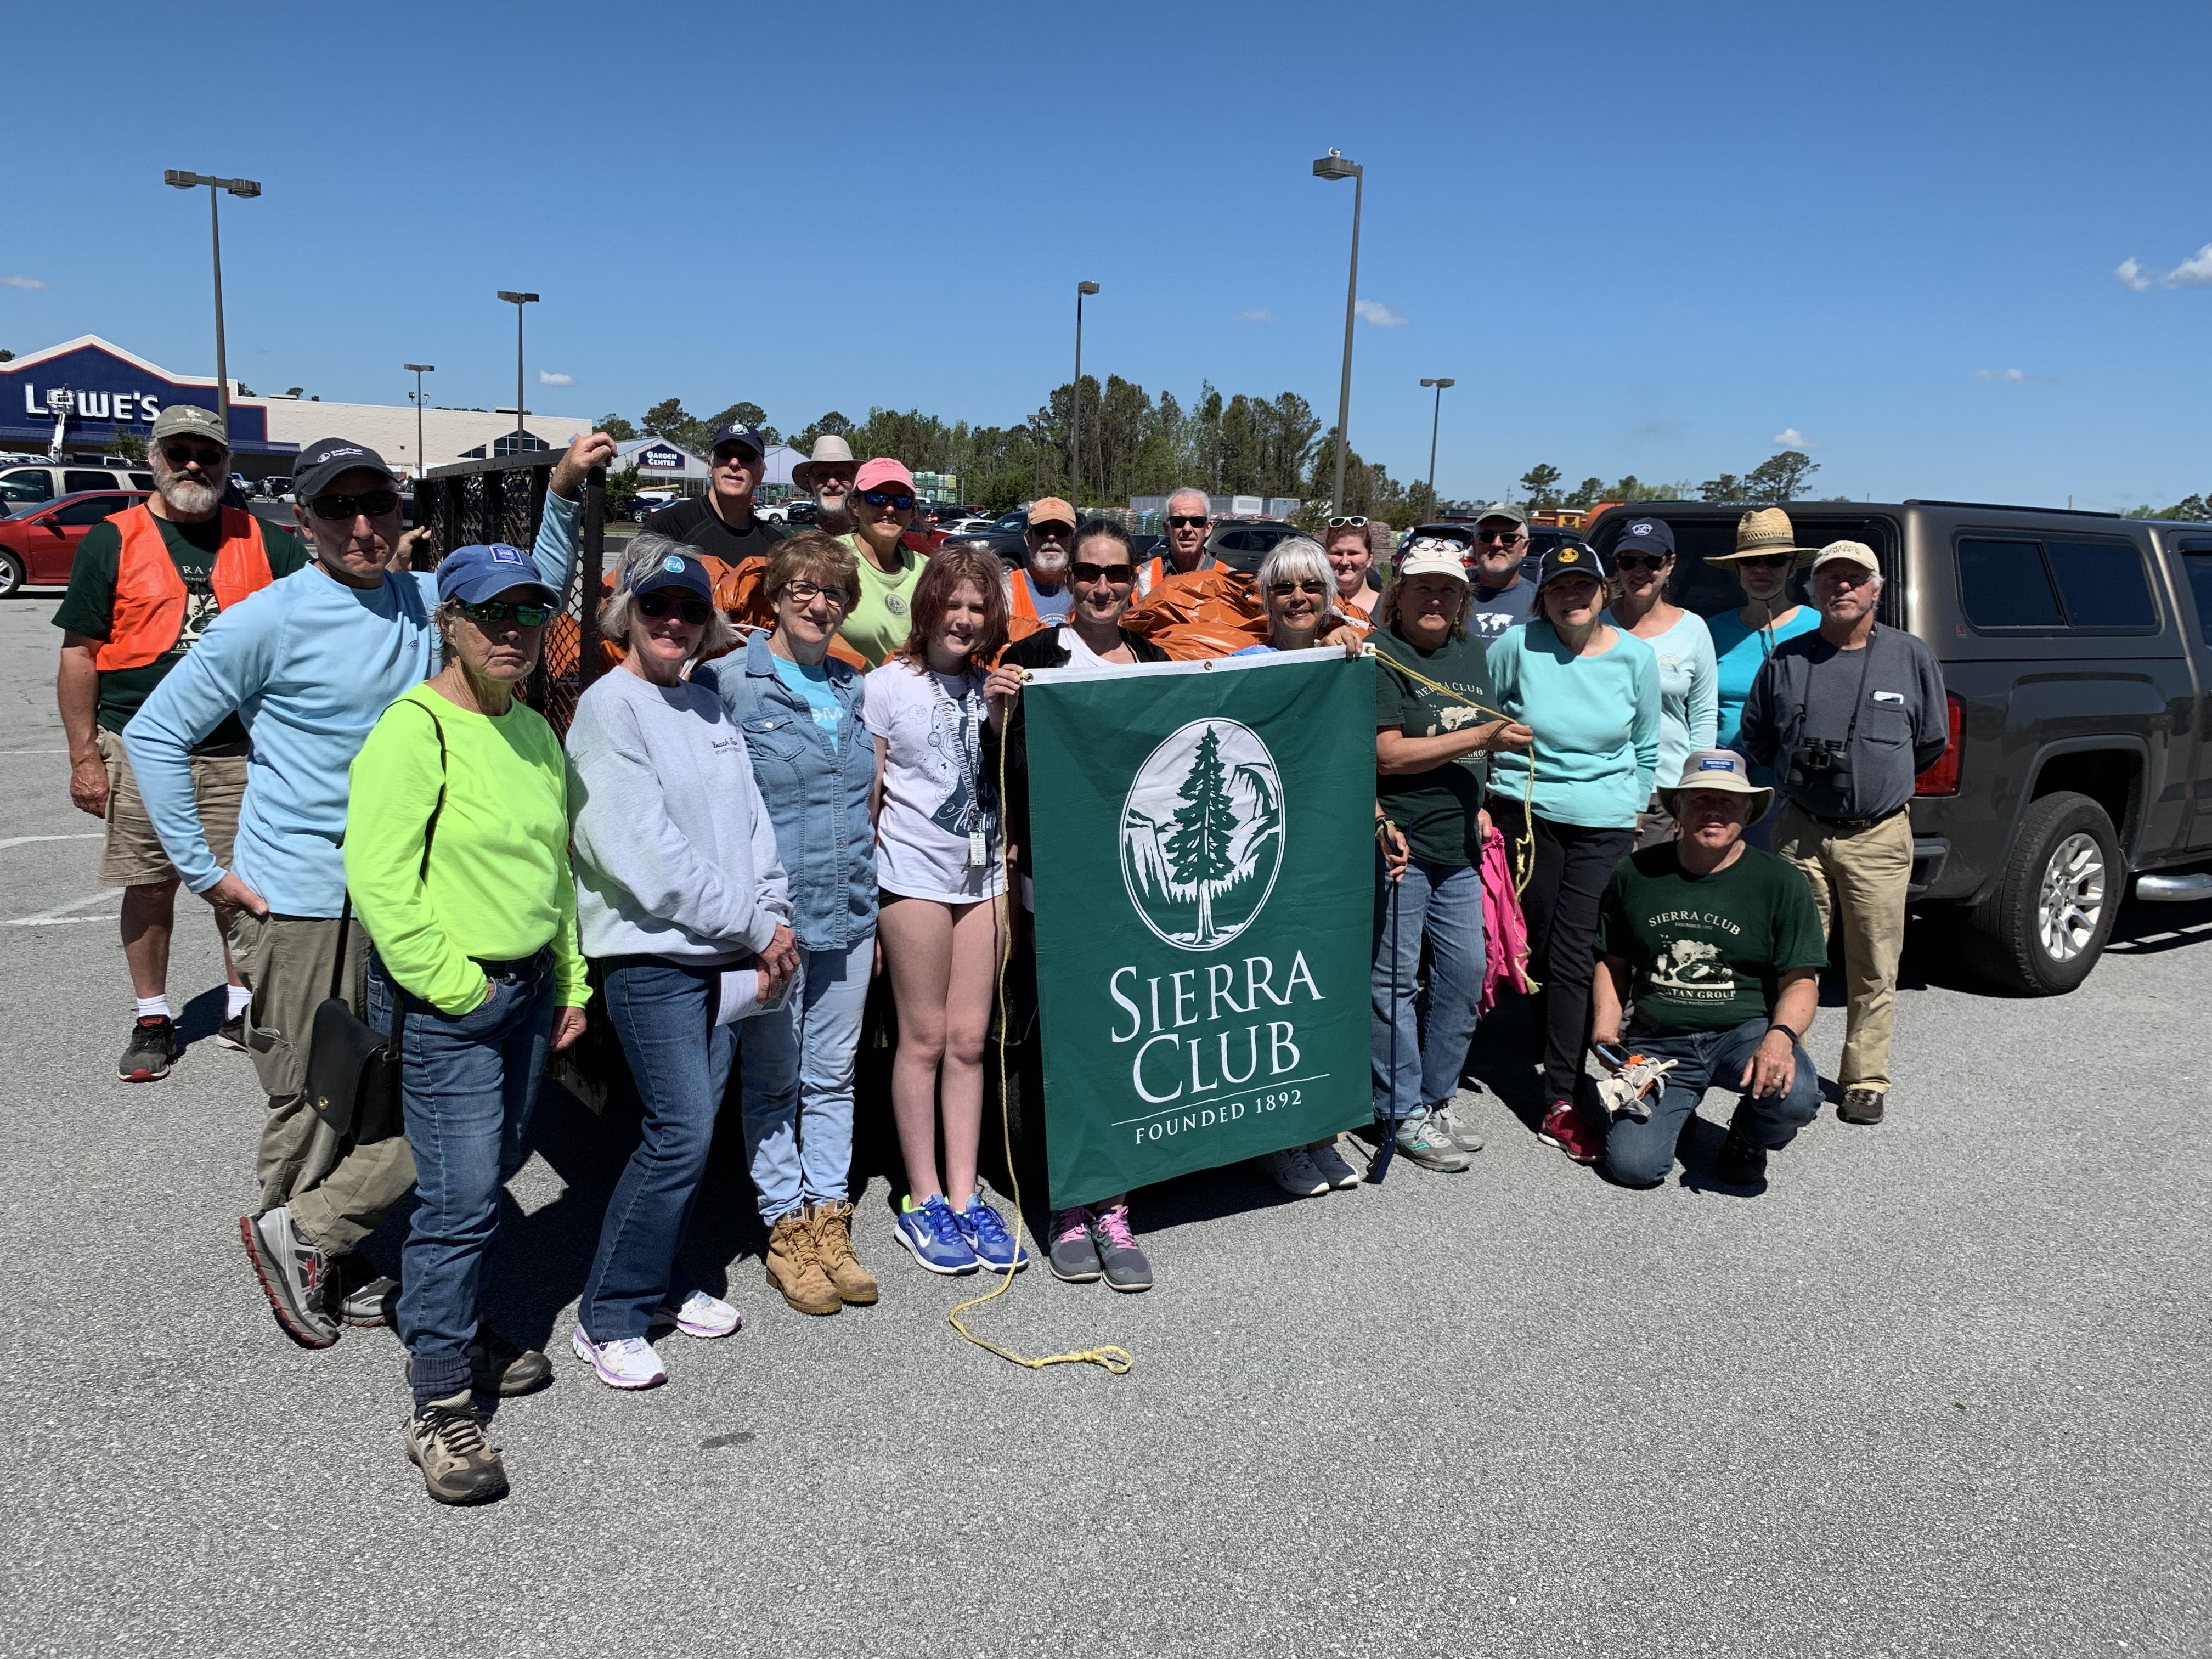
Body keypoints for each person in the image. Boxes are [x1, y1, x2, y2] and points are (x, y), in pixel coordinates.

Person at [126, 430, 608, 1350]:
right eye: (339, 508)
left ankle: (323, 1242)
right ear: (301, 519)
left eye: (378, 505)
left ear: (401, 514)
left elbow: (532, 586)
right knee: (312, 1091)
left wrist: (559, 489)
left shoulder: (424, 600)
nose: (362, 525)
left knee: (384, 1090)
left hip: (404, 898)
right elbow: (156, 733)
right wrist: (206, 871)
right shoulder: (266, 618)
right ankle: (294, 1245)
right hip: (302, 896)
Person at [344, 543, 590, 1504]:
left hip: (527, 990)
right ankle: (441, 1399)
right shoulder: (414, 731)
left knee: (490, 1173)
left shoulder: (533, 730)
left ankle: (449, 1315)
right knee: (459, 1200)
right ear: (447, 619)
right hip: (458, 1001)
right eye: (490, 614)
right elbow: (381, 884)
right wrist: (461, 989)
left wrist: (568, 979)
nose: (511, 633)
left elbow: (556, 869)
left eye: (527, 615)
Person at [565, 538, 797, 1389]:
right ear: (627, 614)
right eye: (657, 607)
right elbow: (644, 856)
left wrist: (770, 916)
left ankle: (660, 1284)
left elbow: (750, 827)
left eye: (690, 610)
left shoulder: (706, 702)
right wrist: (752, 923)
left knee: (690, 1138)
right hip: (654, 958)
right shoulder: (608, 709)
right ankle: (609, 1314)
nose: (673, 622)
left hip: (729, 952)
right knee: (679, 1130)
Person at [54, 404, 307, 1080]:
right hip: (137, 746)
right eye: (179, 452)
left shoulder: (266, 541)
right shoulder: (113, 540)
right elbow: (80, 655)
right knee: (148, 886)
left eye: (209, 454)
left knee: (241, 887)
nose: (194, 465)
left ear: (229, 464)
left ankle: (239, 1007)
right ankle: (154, 1017)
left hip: (240, 750)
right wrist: (85, 757)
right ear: (154, 459)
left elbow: (312, 628)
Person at [702, 532, 881, 1317]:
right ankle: (784, 1226)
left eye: (834, 593)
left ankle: (829, 1218)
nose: (820, 604)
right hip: (774, 918)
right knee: (774, 1077)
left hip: (850, 910)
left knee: (834, 1074)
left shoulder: (852, 685)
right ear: (774, 596)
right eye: (804, 589)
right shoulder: (729, 684)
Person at [1000, 521, 1167, 1292]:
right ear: (1068, 578)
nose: (1101, 584)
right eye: (1089, 571)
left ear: (1136, 579)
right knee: (1064, 1039)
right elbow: (997, 768)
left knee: (1127, 1037)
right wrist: (999, 710)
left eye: (1116, 572)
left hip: (1138, 890)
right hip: (1057, 885)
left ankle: (1116, 1205)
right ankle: (1068, 1204)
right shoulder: (1031, 660)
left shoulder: (1159, 664)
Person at [1740, 540, 1948, 1128]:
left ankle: (1865, 1079)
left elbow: (1930, 741)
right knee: (1791, 959)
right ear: (1814, 589)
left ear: (1876, 589)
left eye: (1855, 579)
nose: (1842, 588)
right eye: (1830, 578)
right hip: (1801, 831)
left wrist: (1878, 783)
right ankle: (1787, 1067)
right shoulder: (1787, 659)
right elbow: (1757, 733)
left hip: (1878, 835)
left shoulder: (1910, 657)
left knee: (1875, 964)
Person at [867, 546, 1030, 1276]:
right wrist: (862, 905)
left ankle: (967, 1196)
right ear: (927, 606)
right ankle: (923, 1197)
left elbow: (1005, 783)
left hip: (986, 881)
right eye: (954, 604)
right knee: (924, 1038)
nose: (965, 619)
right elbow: (867, 802)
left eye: (979, 608)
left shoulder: (997, 687)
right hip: (913, 881)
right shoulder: (884, 687)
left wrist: (1002, 718)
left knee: (971, 1041)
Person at [1485, 541, 1660, 1164]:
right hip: (1526, 813)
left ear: (1604, 591)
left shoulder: (1636, 658)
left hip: (1602, 822)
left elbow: (1645, 744)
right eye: (1560, 587)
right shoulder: (1516, 646)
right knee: (1530, 939)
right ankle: (1549, 1036)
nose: (1574, 597)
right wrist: (1485, 800)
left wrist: (1634, 810)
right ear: (1543, 595)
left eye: (1584, 585)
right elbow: (1485, 722)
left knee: (1573, 953)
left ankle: (1560, 1098)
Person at [1371, 541, 1534, 1177]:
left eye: (1446, 590)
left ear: (1462, 599)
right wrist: (1481, 737)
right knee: (1394, 982)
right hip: (1401, 842)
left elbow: (1476, 739)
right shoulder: (1384, 654)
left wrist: (1481, 795)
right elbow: (1387, 755)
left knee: (1465, 976)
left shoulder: (1472, 653)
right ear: (1399, 597)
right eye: (1422, 589)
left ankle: (1435, 1096)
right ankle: (1400, 1107)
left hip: (1461, 841)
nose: (1434, 599)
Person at [1593, 749, 1827, 1189]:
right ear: (1678, 807)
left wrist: (1778, 1041)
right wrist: (1606, 1030)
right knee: (1633, 1168)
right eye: (1700, 799)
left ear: (1747, 811)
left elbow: (1801, 980)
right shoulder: (1637, 872)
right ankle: (1679, 1115)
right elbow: (1614, 959)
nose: (1714, 811)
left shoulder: (1780, 882)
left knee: (1795, 1099)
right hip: (1660, 1040)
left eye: (1727, 801)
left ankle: (1748, 1136)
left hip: (1743, 1033)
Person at [1220, 538, 1370, 1193]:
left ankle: (1318, 1127)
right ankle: (1275, 1140)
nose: (1299, 598)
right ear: (1266, 599)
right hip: (1266, 852)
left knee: (1321, 991)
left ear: (1330, 596)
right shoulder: (1242, 664)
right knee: (1266, 995)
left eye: (1312, 586)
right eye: (1285, 589)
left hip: (1326, 854)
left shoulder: (1350, 661)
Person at [1706, 509, 1824, 842]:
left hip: (1791, 785)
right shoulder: (1712, 630)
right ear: (1739, 569)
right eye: (1750, 562)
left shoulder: (1819, 628)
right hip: (1721, 782)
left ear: (1791, 569)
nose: (1762, 569)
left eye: (1774, 560)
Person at [1601, 516, 1717, 847]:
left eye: (1651, 561)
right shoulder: (1595, 622)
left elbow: (1704, 716)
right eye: (1628, 561)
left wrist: (1695, 791)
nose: (1639, 571)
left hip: (1664, 792)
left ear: (1670, 564)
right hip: (1599, 786)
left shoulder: (1693, 630)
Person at [642, 419, 788, 567]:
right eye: (724, 453)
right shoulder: (667, 527)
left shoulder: (776, 548)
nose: (734, 463)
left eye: (747, 456)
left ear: (761, 474)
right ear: (711, 467)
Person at [837, 458, 928, 667]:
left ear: (912, 513)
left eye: (902, 501)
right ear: (855, 505)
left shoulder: (929, 571)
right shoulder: (828, 559)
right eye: (877, 498)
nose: (890, 509)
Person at [1466, 505, 1536, 641]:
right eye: (1487, 537)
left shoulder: (1543, 603)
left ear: (1525, 547)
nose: (1497, 544)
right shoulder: (1455, 599)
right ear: (1475, 546)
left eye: (1509, 537)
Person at [1009, 496, 1076, 624]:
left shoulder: (1087, 590)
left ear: (1073, 540)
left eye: (1061, 531)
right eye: (1042, 530)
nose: (1051, 537)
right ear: (1028, 539)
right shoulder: (1006, 591)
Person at [1137, 487, 1214, 596]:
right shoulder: (1141, 576)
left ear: (1208, 529)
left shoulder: (1230, 580)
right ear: (1167, 529)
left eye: (1197, 521)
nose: (1187, 529)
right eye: (1178, 521)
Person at [792, 433, 859, 537]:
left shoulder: (873, 539)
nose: (832, 483)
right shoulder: (792, 540)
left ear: (855, 482)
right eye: (822, 475)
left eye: (841, 474)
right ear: (810, 487)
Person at [1325, 517, 1383, 618]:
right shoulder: (1317, 606)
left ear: (1369, 558)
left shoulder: (1389, 608)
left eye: (1353, 553)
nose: (1344, 561)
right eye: (1337, 553)